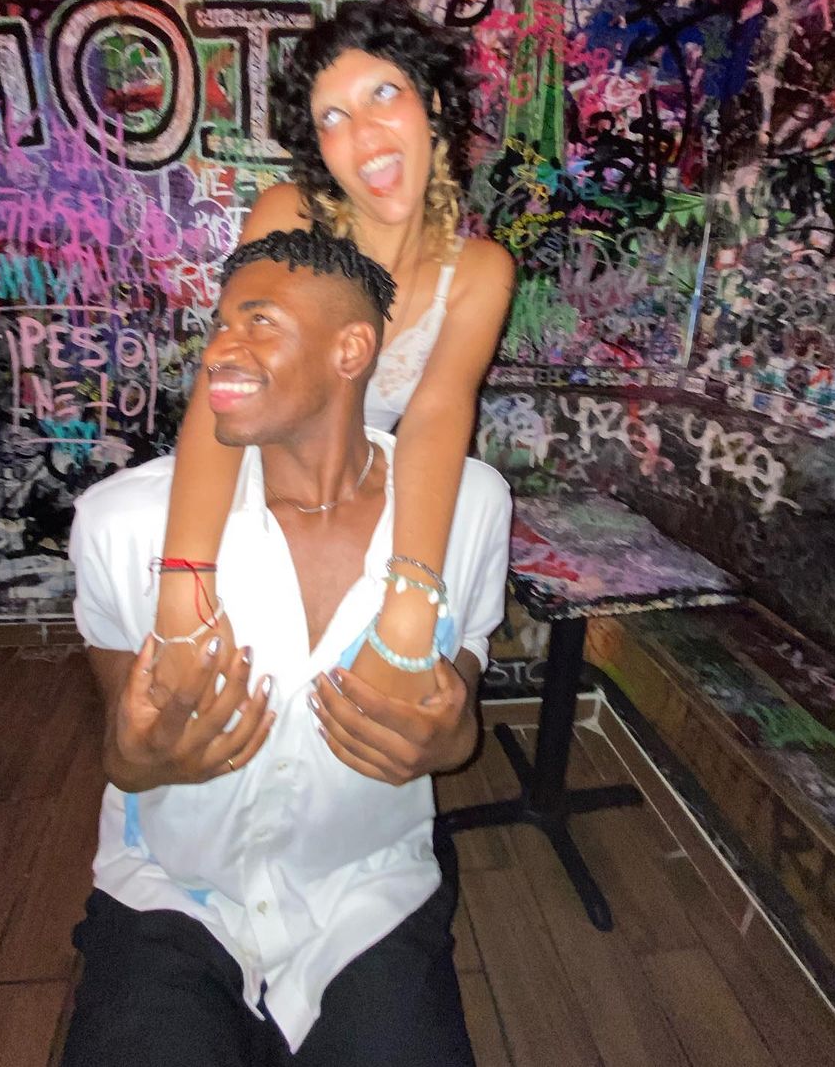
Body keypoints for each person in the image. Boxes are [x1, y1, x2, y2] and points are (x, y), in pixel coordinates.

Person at [64, 228, 511, 1065]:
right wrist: (136, 755)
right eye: (220, 326)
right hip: (172, 894)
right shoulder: (122, 522)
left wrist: (453, 740)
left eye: (259, 322)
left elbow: (462, 690)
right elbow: (120, 740)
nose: (219, 350)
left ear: (351, 350)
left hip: (368, 892)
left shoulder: (472, 506)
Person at [154, 0, 515, 701]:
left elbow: (437, 416)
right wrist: (183, 591)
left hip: (364, 486)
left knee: (482, 502)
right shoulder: (289, 219)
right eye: (332, 117)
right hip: (260, 471)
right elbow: (225, 384)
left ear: (433, 104)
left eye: (384, 94)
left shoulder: (479, 270)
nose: (364, 134)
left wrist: (410, 601)